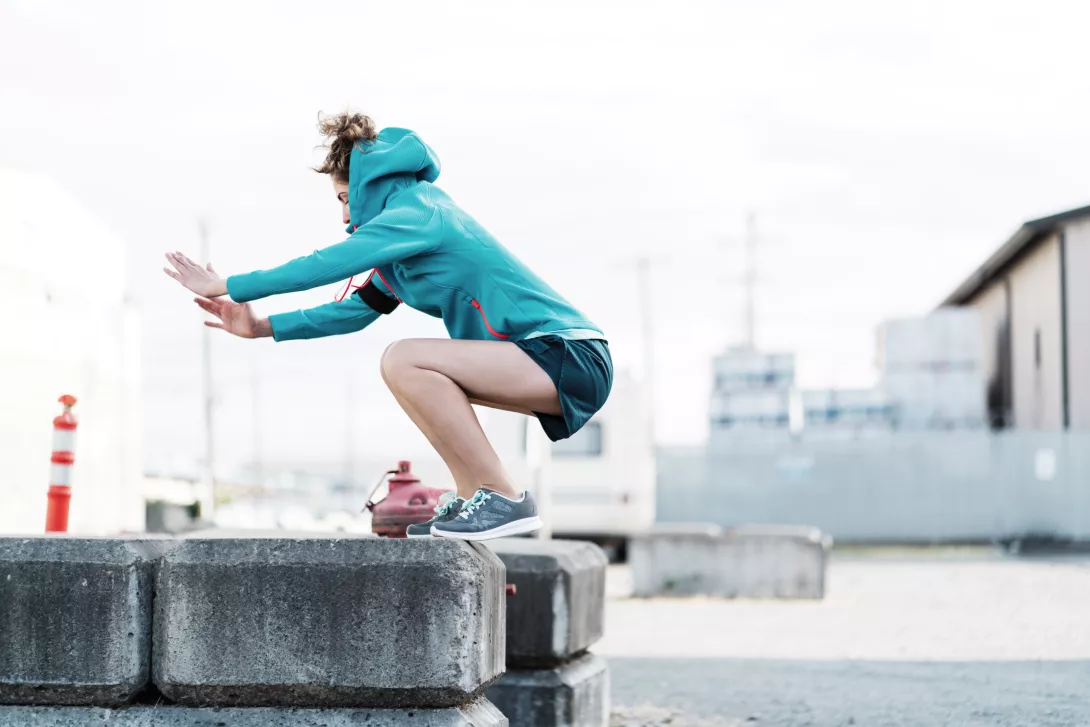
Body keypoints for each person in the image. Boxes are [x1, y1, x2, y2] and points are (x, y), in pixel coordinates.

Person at [164, 112, 612, 541]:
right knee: (405, 372)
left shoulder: (419, 212)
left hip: (569, 354)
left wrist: (228, 285)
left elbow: (326, 263)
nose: (343, 216)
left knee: (406, 358)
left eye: (344, 199)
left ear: (365, 187)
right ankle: (473, 496)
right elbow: (355, 309)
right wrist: (262, 327)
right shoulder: (402, 250)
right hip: (540, 358)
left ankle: (505, 498)